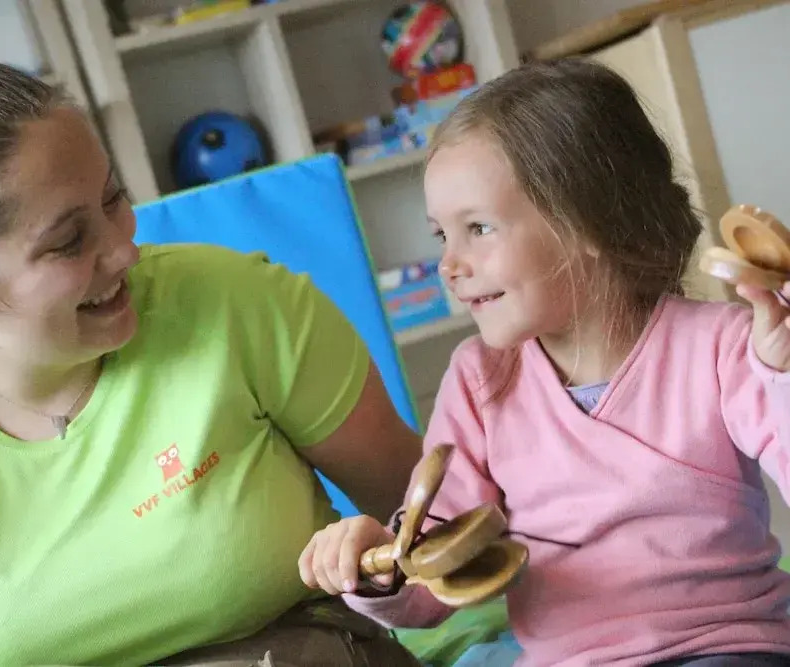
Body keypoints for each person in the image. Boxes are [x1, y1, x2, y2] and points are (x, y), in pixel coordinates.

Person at [0, 56, 424, 666]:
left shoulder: (240, 305)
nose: (126, 250)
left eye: (113, 197)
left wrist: (389, 560)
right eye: (69, 241)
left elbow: (443, 529)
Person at [298, 58, 790, 666]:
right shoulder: (479, 381)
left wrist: (781, 371)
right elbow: (438, 579)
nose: (450, 265)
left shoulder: (721, 348)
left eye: (479, 228)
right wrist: (381, 568)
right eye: (442, 236)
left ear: (590, 222)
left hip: (721, 647)